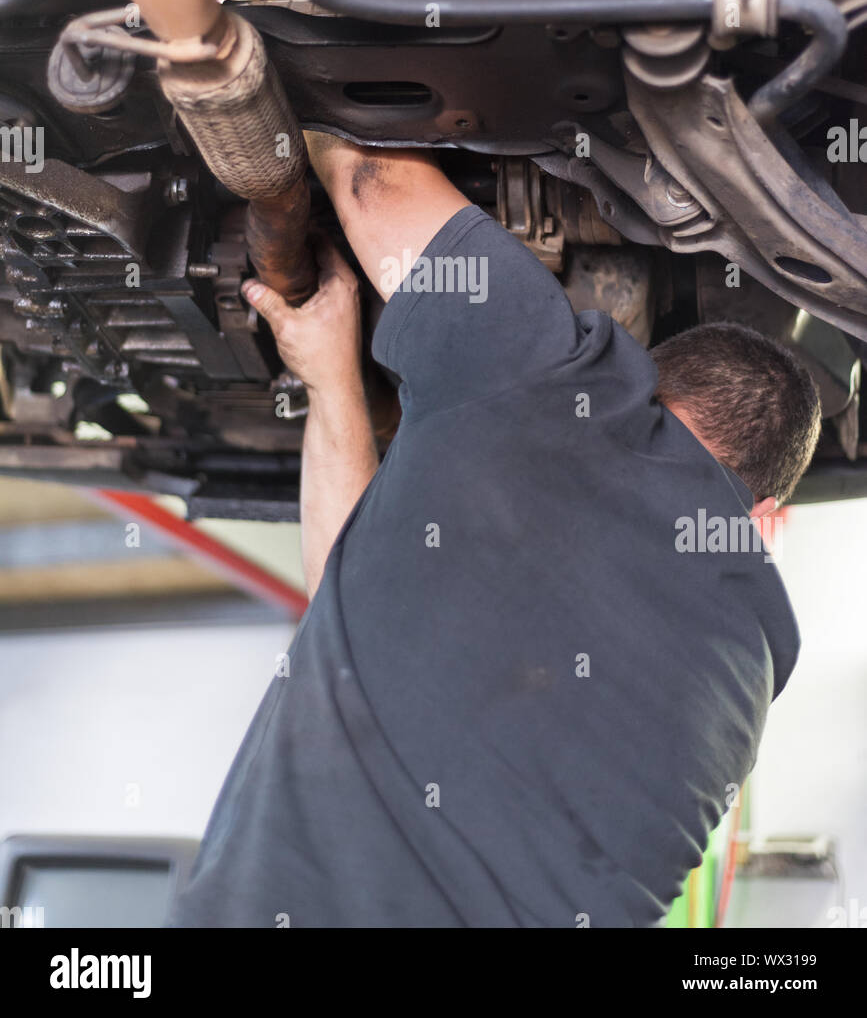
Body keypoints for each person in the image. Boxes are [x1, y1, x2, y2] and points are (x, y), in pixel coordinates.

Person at [171, 135, 821, 929]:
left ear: (646, 387)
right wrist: (330, 380)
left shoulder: (546, 384)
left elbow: (373, 182)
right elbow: (348, 613)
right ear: (758, 520)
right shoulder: (737, 707)